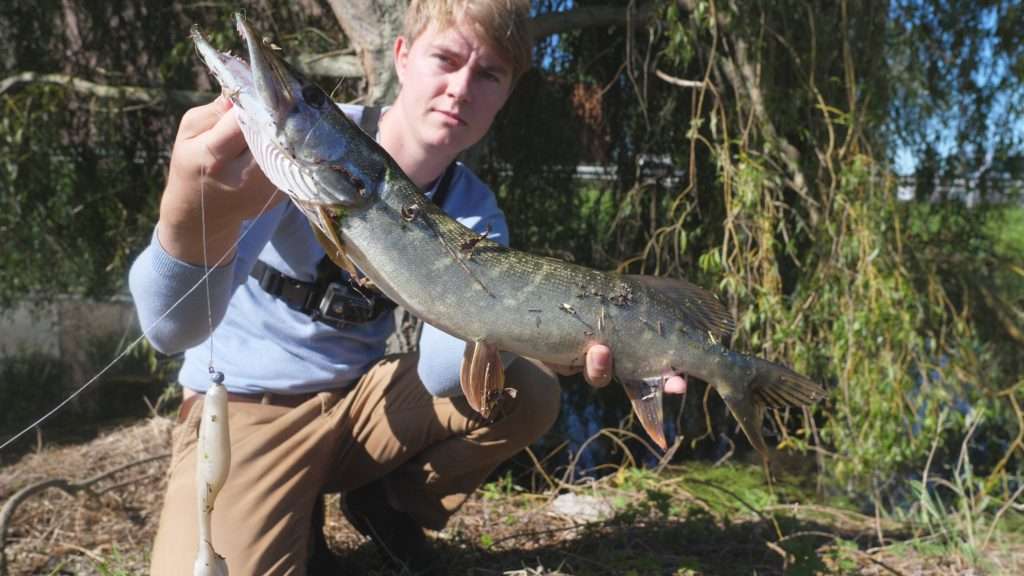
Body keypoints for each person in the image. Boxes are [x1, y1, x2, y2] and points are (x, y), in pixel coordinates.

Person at [130, 1, 685, 574]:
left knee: (532, 391)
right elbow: (172, 330)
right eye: (445, 58)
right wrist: (185, 216)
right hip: (246, 409)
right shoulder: (278, 157)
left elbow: (445, 377)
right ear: (402, 56)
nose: (461, 87)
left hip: (358, 408)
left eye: (488, 74)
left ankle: (389, 504)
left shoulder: (473, 209)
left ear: (505, 95)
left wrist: (547, 334)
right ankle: (286, 509)